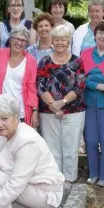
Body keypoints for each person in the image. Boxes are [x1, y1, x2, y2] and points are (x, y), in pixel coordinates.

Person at [36, 25, 85, 183]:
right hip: (48, 112)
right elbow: (40, 85)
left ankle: (69, 182)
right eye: (56, 39)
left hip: (73, 111)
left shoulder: (77, 61)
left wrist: (62, 103)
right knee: (53, 151)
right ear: (52, 41)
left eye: (63, 39)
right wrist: (53, 105)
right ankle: (56, 182)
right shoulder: (44, 61)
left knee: (70, 151)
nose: (60, 43)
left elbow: (80, 86)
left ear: (68, 41)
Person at [80, 22, 104, 186]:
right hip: (88, 102)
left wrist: (98, 81)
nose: (102, 36)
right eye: (100, 33)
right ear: (94, 35)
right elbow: (81, 78)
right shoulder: (85, 53)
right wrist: (97, 84)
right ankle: (93, 173)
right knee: (90, 139)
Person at [0, 26, 39, 128]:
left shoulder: (30, 60)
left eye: (23, 40)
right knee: (2, 141)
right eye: (17, 39)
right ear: (10, 39)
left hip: (20, 110)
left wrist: (35, 110)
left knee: (20, 141)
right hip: (1, 108)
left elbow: (31, 88)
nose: (19, 43)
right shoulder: (0, 54)